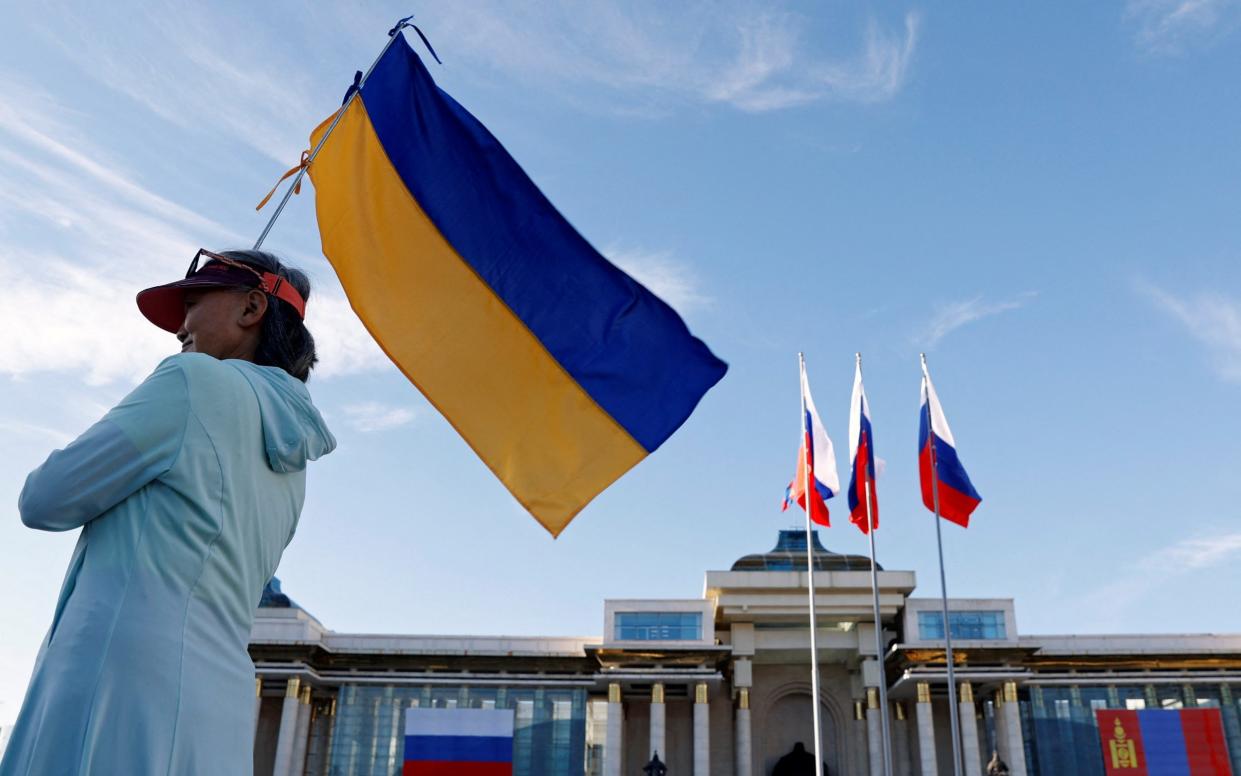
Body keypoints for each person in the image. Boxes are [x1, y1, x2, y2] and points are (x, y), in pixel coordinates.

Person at [0, 250, 336, 776]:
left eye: (194, 302)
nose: (179, 327)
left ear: (251, 308)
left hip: (119, 685)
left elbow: (44, 499)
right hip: (218, 702)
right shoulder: (296, 460)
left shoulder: (191, 381)